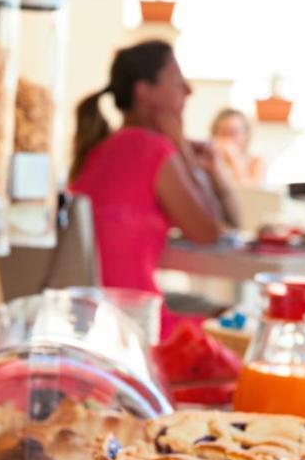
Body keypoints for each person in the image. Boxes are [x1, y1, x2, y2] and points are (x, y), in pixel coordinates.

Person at [69, 40, 238, 337]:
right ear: (144, 92)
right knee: (235, 322)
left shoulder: (100, 149)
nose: (188, 90)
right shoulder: (150, 148)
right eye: (176, 81)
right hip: (134, 320)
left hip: (95, 316)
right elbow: (208, 231)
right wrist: (183, 150)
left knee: (215, 311)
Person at [210, 108, 265, 185]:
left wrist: (234, 160)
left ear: (246, 135)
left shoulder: (255, 161)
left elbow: (251, 192)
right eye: (223, 132)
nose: (228, 139)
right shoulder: (209, 161)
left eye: (233, 133)